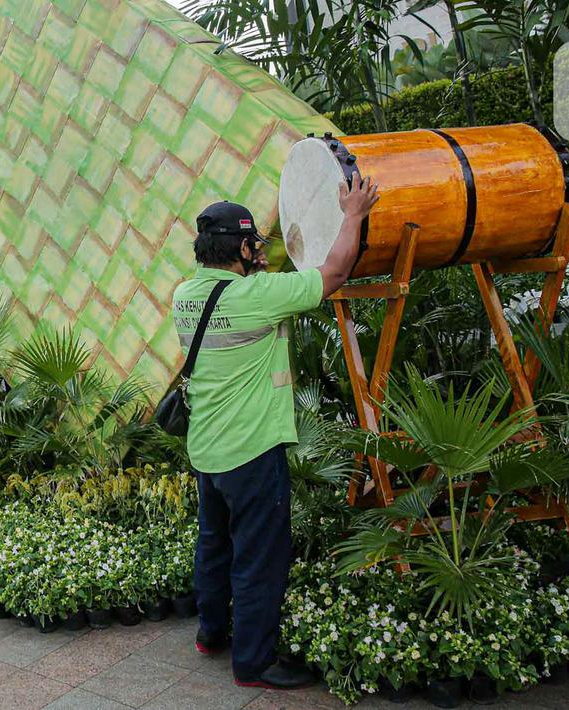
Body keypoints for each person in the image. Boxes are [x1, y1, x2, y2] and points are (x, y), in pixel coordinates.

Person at [171, 177, 380, 689]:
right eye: (254, 245)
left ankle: (211, 633)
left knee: (214, 543)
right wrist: (352, 214)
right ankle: (253, 663)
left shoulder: (185, 295)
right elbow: (332, 273)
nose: (259, 254)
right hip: (252, 452)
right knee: (259, 558)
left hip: (207, 451)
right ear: (241, 247)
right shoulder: (256, 296)